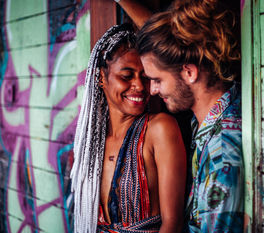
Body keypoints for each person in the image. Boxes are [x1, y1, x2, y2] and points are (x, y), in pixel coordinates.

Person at [114, 0, 244, 232]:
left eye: (157, 80)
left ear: (189, 72)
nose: (151, 90)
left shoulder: (221, 153)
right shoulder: (208, 119)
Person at [70, 24, 187, 233]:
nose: (140, 87)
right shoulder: (90, 144)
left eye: (145, 77)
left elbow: (173, 225)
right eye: (126, 76)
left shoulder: (159, 129)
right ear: (101, 78)